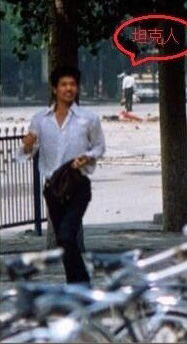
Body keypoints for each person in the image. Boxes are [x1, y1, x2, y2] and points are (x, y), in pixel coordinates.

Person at [17, 65, 106, 284]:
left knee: (67, 235)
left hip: (77, 186)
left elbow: (99, 147)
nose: (69, 89)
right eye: (64, 85)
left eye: (73, 84)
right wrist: (27, 145)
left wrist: (87, 157)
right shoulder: (40, 119)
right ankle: (75, 285)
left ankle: (82, 284)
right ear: (54, 89)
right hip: (52, 188)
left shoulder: (89, 119)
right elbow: (26, 153)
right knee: (63, 241)